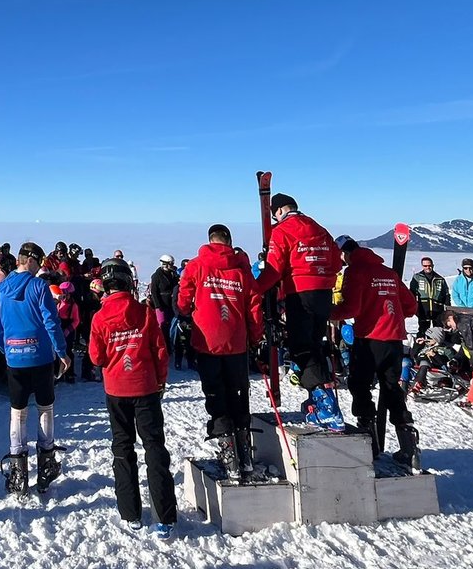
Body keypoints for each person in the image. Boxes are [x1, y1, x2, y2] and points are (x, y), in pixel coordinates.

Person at [89, 256, 176, 537]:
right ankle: (164, 516)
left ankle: (131, 513)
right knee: (154, 448)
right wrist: (160, 380)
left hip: (116, 390)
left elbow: (97, 357)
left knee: (122, 448)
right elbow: (160, 351)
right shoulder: (146, 312)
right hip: (146, 388)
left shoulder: (100, 317)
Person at [177, 225, 272, 465]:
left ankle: (227, 450)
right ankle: (244, 450)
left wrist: (188, 313)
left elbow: (183, 302)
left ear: (210, 240)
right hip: (236, 343)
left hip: (207, 342)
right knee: (238, 393)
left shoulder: (195, 266)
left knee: (215, 394)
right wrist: (255, 337)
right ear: (229, 241)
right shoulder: (241, 271)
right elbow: (254, 308)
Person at [0, 242, 69, 496]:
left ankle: (17, 473)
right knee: (45, 408)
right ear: (32, 260)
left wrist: (7, 350)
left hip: (15, 358)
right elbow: (51, 321)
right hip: (41, 357)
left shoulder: (2, 289)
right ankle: (46, 465)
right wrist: (62, 352)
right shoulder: (39, 286)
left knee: (17, 412)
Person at [258, 194, 343, 429]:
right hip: (324, 294)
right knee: (315, 345)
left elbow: (274, 269)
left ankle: (326, 406)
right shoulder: (319, 228)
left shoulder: (283, 230)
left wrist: (255, 288)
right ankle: (320, 399)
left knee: (301, 348)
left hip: (300, 292)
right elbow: (337, 262)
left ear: (279, 211)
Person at [340, 238, 420, 463]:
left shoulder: (355, 271)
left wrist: (329, 313)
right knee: (391, 387)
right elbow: (410, 305)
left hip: (369, 338)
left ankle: (369, 441)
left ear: (346, 254)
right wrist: (392, 315)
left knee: (360, 384)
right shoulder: (388, 272)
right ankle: (409, 446)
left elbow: (352, 307)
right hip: (394, 339)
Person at [408, 258, 449, 335]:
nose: (427, 267)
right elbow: (412, 293)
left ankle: (438, 345)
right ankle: (421, 346)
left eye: (429, 265)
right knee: (423, 330)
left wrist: (447, 309)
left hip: (437, 308)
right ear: (422, 266)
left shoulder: (440, 279)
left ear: (433, 265)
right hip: (423, 308)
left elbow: (446, 294)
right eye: (425, 266)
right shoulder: (417, 278)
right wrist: (414, 307)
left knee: (438, 331)